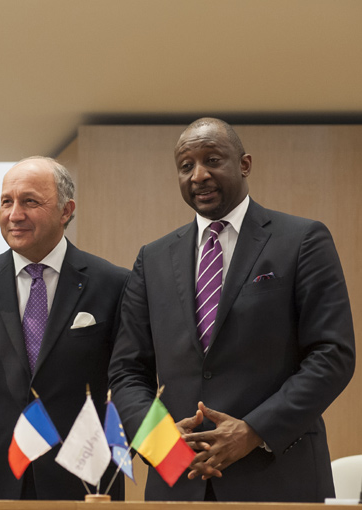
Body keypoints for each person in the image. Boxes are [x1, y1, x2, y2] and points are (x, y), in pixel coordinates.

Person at [108, 118, 355, 502]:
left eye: (212, 159)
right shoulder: (152, 259)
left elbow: (332, 354)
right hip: (178, 481)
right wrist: (162, 445)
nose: (198, 175)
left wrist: (253, 431)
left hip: (279, 478)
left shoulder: (303, 240)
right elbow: (127, 370)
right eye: (186, 166)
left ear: (244, 164)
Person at [0, 156, 129, 500]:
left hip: (82, 480)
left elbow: (127, 379)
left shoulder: (114, 284)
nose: (14, 214)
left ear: (65, 210)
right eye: (6, 202)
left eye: (30, 201)